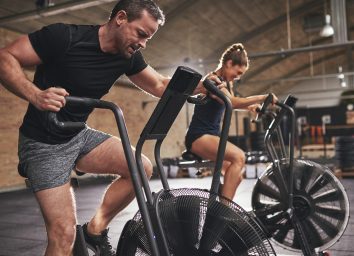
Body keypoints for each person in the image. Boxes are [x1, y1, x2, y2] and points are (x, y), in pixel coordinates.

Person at [0, 0, 204, 255]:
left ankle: (94, 231)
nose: (143, 43)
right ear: (120, 18)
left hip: (77, 135)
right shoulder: (64, 37)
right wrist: (35, 94)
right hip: (43, 144)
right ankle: (78, 237)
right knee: (63, 236)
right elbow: (5, 56)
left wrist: (206, 85)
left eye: (148, 38)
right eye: (141, 34)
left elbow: (161, 85)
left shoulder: (127, 56)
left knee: (141, 168)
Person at [185, 43, 277, 201]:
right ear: (228, 64)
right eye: (238, 72)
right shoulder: (212, 80)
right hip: (199, 136)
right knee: (239, 157)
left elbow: (229, 104)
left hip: (210, 135)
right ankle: (222, 212)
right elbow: (233, 102)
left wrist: (250, 107)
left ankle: (221, 206)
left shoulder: (227, 83)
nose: (238, 76)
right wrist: (263, 97)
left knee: (236, 176)